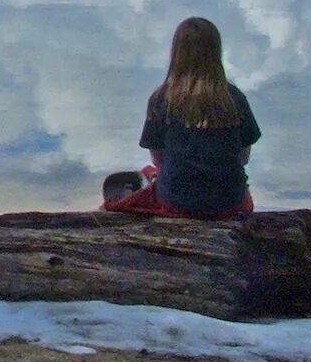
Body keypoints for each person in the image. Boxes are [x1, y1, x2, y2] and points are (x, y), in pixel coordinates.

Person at [102, 16, 260, 218]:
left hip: (178, 203)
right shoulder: (235, 98)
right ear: (216, 52)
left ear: (176, 53)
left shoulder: (160, 99)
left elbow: (158, 159)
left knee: (149, 178)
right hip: (230, 203)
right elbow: (243, 158)